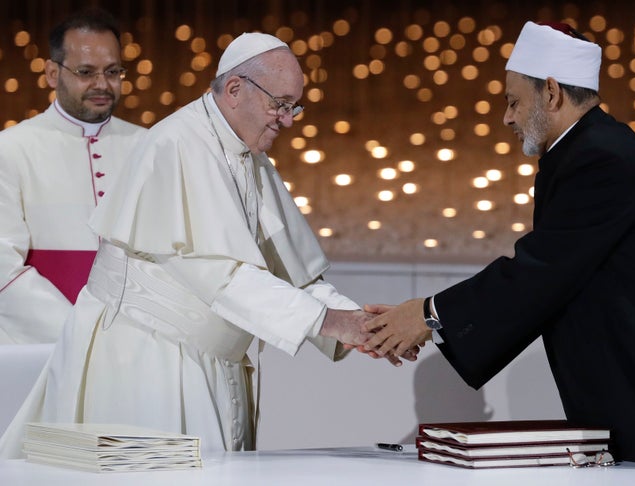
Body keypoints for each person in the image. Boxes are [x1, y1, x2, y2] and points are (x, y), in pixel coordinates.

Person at [0, 32, 415, 459]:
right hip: (148, 361)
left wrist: (362, 326)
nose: (288, 119)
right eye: (281, 104)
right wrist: (329, 322)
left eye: (294, 106)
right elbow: (223, 277)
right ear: (235, 90)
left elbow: (293, 271)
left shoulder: (249, 157)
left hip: (212, 363)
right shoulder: (175, 145)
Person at [361, 21, 635, 471]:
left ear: (551, 93)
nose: (506, 118)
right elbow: (549, 277)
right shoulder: (585, 152)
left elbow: (539, 271)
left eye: (514, 101)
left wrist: (430, 313)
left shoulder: (602, 160)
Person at [0, 8, 146, 344]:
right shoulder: (10, 149)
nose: (102, 84)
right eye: (86, 72)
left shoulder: (150, 148)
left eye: (113, 72)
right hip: (42, 347)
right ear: (52, 73)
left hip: (137, 345)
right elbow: (2, 266)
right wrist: (77, 336)